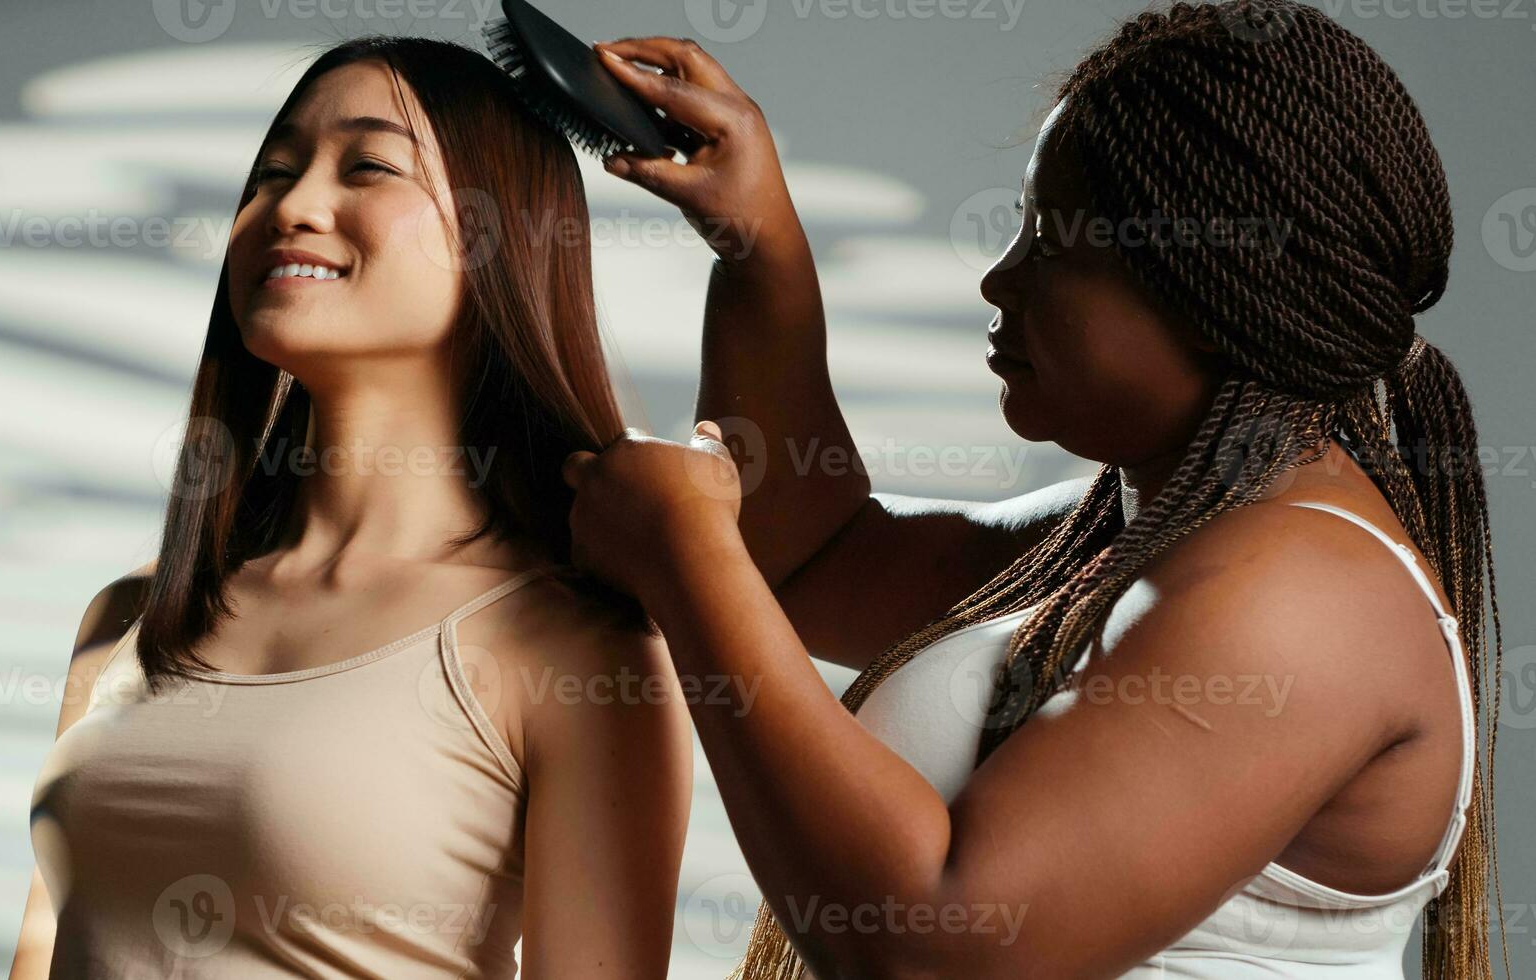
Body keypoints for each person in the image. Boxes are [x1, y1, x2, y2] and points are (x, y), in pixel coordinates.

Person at [566, 2, 1504, 976]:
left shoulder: (1305, 592)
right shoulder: (1157, 532)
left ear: (1215, 287)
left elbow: (939, 947)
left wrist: (684, 555)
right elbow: (812, 558)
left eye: (1054, 247)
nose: (997, 281)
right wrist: (758, 244)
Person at [7, 36, 692, 980]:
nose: (292, 205)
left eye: (368, 166)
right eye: (272, 172)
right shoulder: (136, 616)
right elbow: (41, 953)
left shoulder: (576, 648)